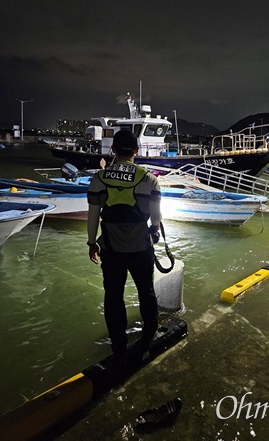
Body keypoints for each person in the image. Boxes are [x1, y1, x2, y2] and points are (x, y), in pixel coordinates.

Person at [87, 129, 161, 372]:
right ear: (137, 151)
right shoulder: (149, 179)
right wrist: (156, 229)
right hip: (141, 249)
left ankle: (119, 350)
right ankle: (147, 341)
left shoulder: (99, 178)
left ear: (114, 151)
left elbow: (93, 216)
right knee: (146, 292)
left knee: (113, 297)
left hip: (111, 249)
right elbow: (155, 217)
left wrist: (91, 243)